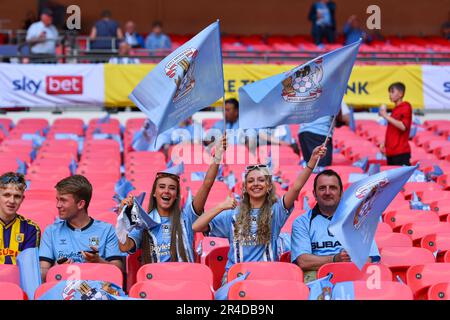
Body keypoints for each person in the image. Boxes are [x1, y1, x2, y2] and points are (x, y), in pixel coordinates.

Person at [192, 145, 327, 284]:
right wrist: (220, 206)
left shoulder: (276, 212)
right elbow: (196, 226)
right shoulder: (232, 215)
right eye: (250, 181)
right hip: (236, 278)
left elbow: (296, 187)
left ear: (268, 186)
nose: (256, 184)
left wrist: (311, 162)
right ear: (244, 187)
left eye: (261, 180)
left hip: (267, 277)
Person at [117, 136, 227, 264]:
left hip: (186, 279)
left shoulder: (187, 217)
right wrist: (122, 218)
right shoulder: (144, 222)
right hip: (156, 282)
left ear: (176, 195)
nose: (166, 191)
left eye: (172, 188)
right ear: (154, 193)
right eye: (162, 187)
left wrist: (218, 155)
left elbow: (207, 184)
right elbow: (125, 247)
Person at [290, 169, 380, 282]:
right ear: (314, 194)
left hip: (353, 276)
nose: (327, 192)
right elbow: (303, 261)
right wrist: (335, 259)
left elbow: (369, 259)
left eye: (333, 188)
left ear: (341, 193)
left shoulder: (359, 220)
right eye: (322, 188)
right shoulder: (302, 222)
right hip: (317, 279)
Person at [39, 175, 124, 282]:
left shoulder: (107, 230)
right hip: (61, 291)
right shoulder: (51, 232)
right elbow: (41, 276)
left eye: (63, 200)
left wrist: (99, 261)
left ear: (80, 204)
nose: (58, 205)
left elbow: (118, 272)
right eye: (57, 200)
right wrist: (57, 267)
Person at [0, 172, 40, 265]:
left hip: (17, 279)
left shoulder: (31, 229)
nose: (12, 201)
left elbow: (28, 267)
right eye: (7, 195)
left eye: (17, 196)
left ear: (22, 199)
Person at [298, 102, 350, 167]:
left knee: (310, 168)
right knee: (321, 169)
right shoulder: (336, 94)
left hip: (303, 132)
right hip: (320, 133)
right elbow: (346, 119)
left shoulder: (310, 93)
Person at [378, 82, 412, 166]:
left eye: (392, 92)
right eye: (389, 92)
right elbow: (393, 130)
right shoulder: (395, 109)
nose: (390, 94)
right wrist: (385, 143)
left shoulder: (406, 106)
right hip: (391, 153)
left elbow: (403, 126)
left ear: (400, 93)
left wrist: (385, 115)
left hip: (401, 153)